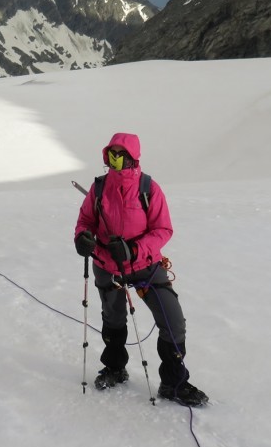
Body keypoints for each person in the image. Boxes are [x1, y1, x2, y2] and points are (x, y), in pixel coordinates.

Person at [73, 132, 208, 406]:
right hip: (107, 265)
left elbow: (163, 229)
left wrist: (134, 250)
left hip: (145, 266)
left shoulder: (149, 188)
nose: (115, 159)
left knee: (173, 320)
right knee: (113, 319)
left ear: (133, 156)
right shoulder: (99, 188)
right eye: (111, 154)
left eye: (120, 154)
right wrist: (82, 237)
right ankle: (114, 367)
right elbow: (85, 219)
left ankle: (173, 382)